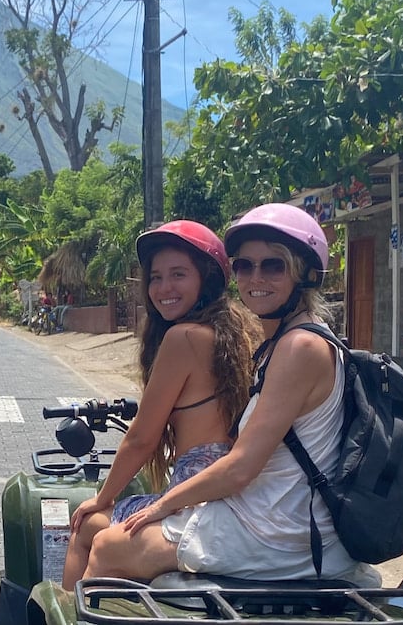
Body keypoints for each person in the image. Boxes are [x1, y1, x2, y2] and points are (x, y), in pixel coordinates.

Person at [81, 203, 381, 588]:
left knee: (107, 546)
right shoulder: (294, 338)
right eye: (244, 265)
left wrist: (163, 505)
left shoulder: (299, 347)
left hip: (279, 534)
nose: (256, 277)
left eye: (273, 265)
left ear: (305, 273)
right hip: (276, 519)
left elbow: (241, 467)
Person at [60, 220, 260, 590]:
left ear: (206, 278)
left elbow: (141, 439)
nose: (164, 288)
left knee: (86, 525)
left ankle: (67, 610)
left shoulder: (183, 338)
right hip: (235, 497)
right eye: (156, 277)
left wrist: (101, 498)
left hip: (192, 501)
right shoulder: (239, 333)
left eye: (178, 274)